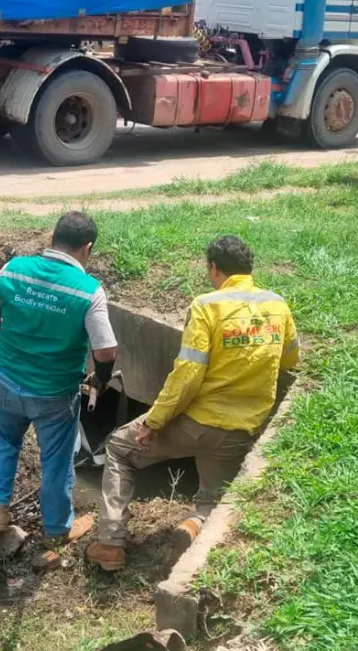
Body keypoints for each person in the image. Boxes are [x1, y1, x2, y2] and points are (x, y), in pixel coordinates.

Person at [86, 235, 299, 571]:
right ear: (249, 268)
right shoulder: (277, 305)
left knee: (118, 449)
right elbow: (289, 359)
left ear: (214, 268)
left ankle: (111, 542)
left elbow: (187, 375)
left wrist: (153, 421)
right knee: (213, 496)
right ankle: (195, 524)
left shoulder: (207, 306)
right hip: (241, 429)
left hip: (197, 423)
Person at [0, 211, 118, 570]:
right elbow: (106, 351)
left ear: (53, 237)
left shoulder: (15, 269)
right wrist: (99, 377)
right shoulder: (88, 291)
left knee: (4, 440)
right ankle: (56, 530)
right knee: (56, 459)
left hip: (7, 380)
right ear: (88, 248)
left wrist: (3, 349)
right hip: (54, 392)